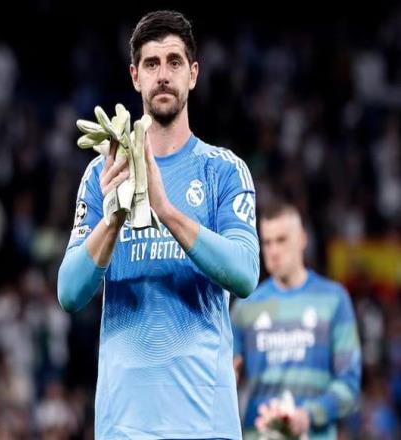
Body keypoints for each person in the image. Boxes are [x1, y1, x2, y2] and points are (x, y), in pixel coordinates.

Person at [58, 10, 260, 439]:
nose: (163, 75)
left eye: (174, 62)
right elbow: (69, 293)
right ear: (135, 77)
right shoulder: (103, 173)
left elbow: (245, 274)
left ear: (193, 74)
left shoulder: (224, 170)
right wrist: (113, 218)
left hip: (205, 427)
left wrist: (164, 209)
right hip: (124, 428)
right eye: (151, 64)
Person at [232, 201, 361, 439]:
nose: (273, 251)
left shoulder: (333, 300)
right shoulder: (245, 307)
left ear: (302, 239)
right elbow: (229, 377)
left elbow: (349, 386)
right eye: (267, 242)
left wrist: (307, 416)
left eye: (281, 240)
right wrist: (229, 376)